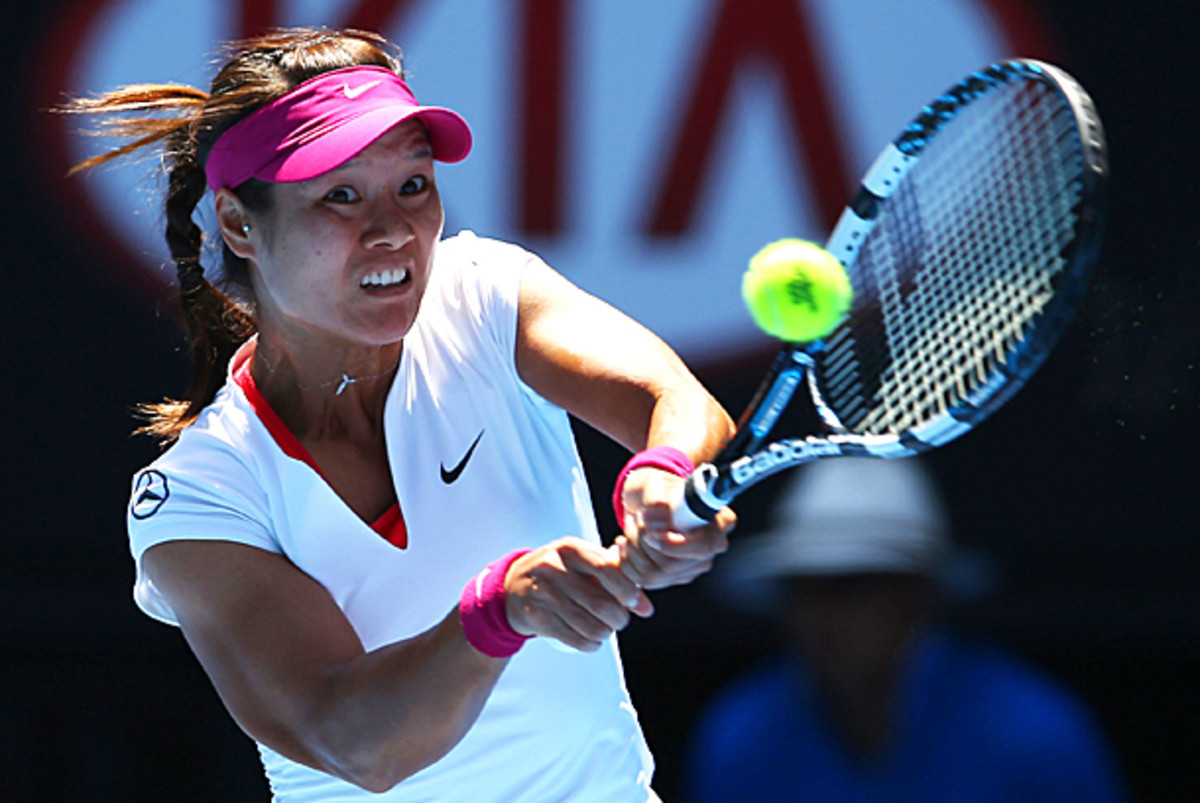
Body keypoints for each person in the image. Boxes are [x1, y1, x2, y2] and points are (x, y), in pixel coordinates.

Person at [66, 28, 735, 801]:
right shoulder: (199, 496)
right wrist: (502, 608)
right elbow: (351, 739)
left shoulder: (486, 294)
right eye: (340, 195)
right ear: (240, 224)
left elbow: (674, 403)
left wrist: (666, 473)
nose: (393, 230)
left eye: (414, 184)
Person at [684, 456, 1127, 803]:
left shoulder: (1036, 735)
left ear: (919, 594)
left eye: (853, 584)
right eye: (804, 587)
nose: (822, 614)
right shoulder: (739, 735)